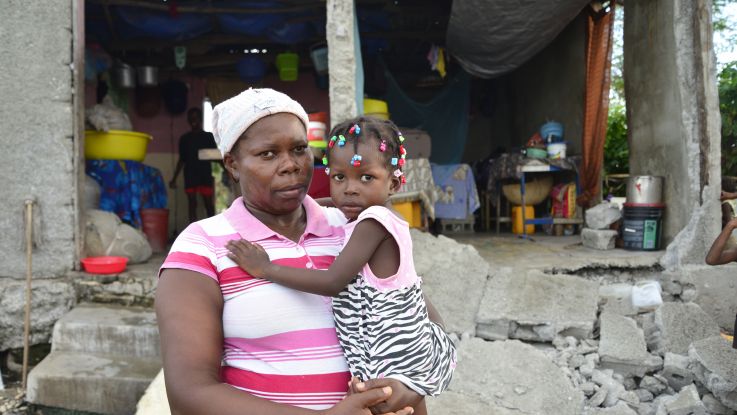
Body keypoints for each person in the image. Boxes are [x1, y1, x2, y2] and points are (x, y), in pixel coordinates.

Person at [156, 89, 424, 414]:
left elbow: (416, 318)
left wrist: (407, 387)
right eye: (268, 154)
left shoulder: (355, 227)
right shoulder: (203, 244)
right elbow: (188, 393)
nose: (291, 166)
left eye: (299, 149)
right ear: (232, 164)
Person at [226, 116, 457, 415]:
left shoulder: (374, 224)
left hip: (392, 357)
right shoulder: (374, 215)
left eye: (366, 178)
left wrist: (266, 269)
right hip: (401, 351)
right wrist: (309, 205)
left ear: (395, 183)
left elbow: (333, 282)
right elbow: (335, 201)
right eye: (339, 177)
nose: (350, 189)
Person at [169, 107, 217, 223]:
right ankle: (193, 234)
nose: (193, 120)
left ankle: (214, 232)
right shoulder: (184, 139)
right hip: (190, 175)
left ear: (200, 119)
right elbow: (182, 160)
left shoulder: (208, 137)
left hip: (205, 175)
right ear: (188, 120)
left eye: (195, 117)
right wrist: (174, 179)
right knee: (192, 204)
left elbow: (215, 156)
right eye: (190, 118)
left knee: (208, 205)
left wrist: (227, 170)